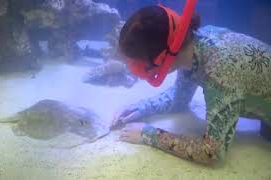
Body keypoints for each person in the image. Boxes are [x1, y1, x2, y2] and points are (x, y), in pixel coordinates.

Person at [111, 2, 271, 165]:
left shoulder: (219, 71)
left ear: (160, 58)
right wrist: (142, 107)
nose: (135, 69)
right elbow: (179, 100)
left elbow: (211, 152)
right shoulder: (194, 46)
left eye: (138, 64)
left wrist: (148, 134)